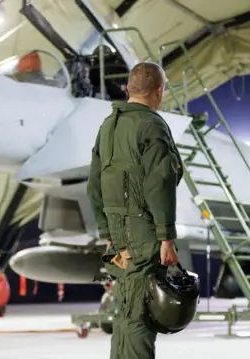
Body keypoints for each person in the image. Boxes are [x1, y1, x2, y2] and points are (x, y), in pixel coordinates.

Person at [87, 61, 183, 359]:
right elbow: (161, 181)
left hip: (118, 237)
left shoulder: (108, 126)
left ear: (129, 89)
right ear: (159, 91)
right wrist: (166, 237)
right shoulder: (152, 124)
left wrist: (107, 232)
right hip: (144, 234)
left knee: (126, 310)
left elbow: (94, 184)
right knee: (141, 315)